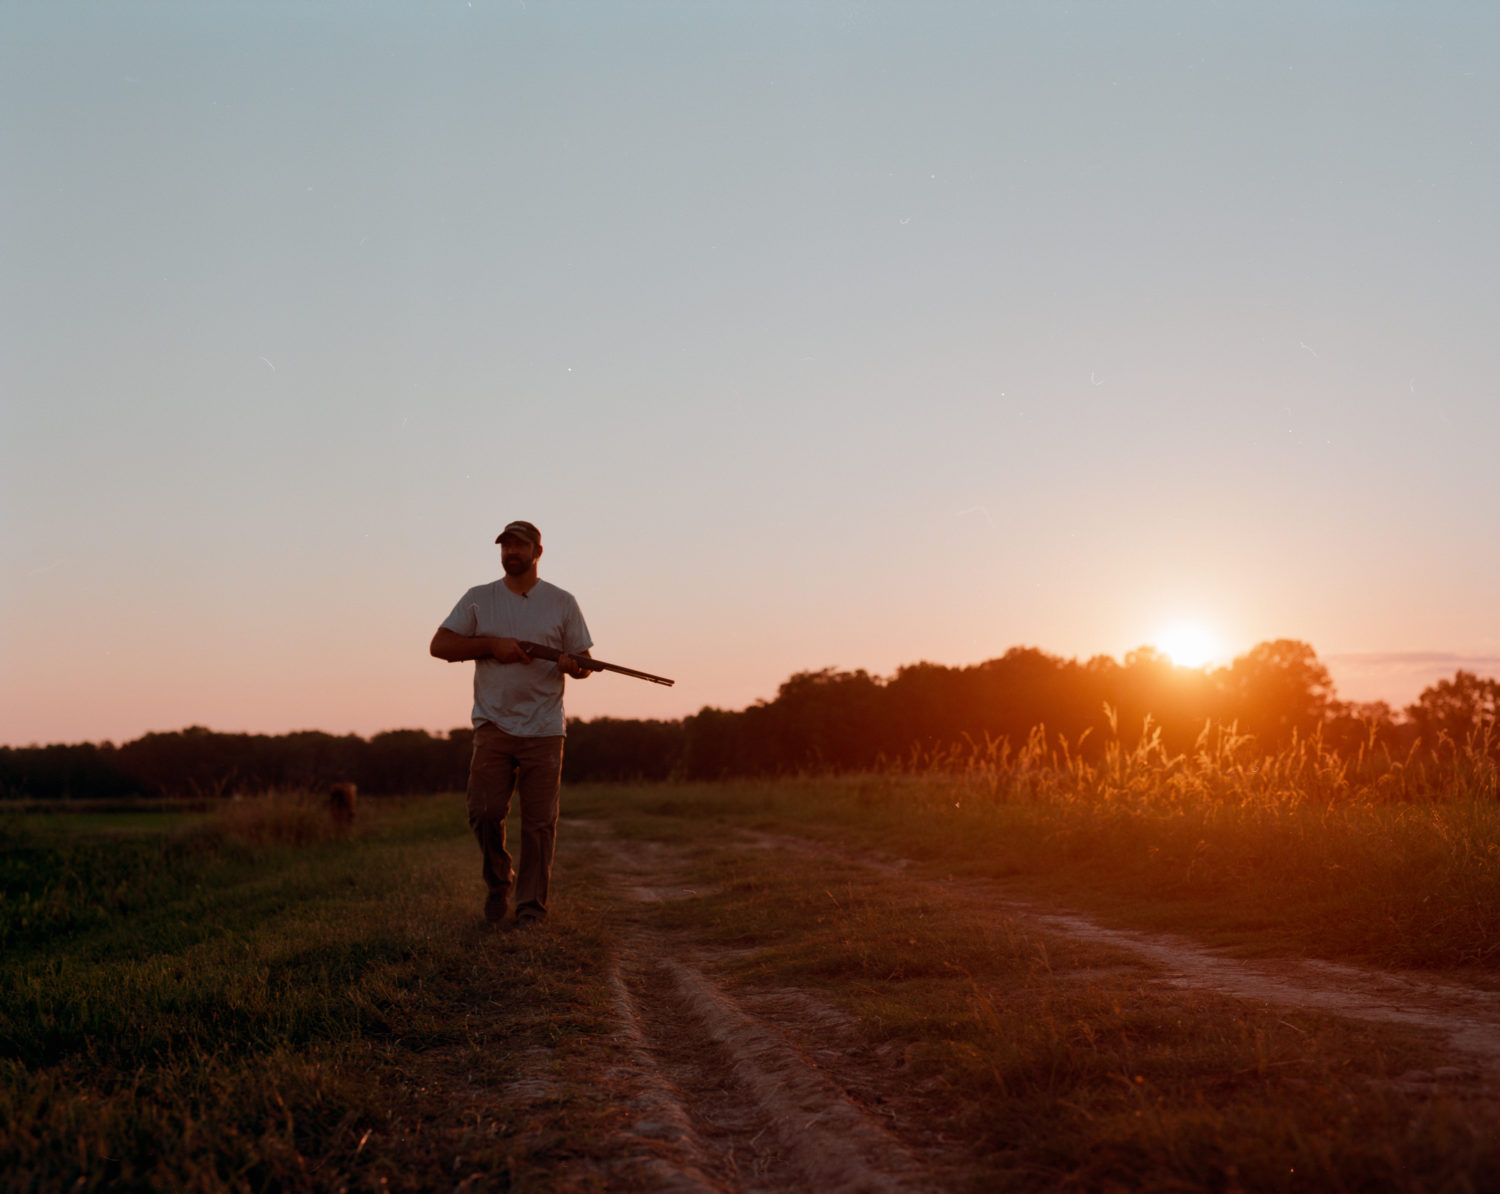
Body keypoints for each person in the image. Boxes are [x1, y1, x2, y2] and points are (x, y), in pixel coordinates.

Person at [430, 520, 593, 928]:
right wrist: (492, 646)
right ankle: (499, 882)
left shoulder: (562, 602)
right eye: (506, 545)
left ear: (538, 552)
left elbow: (583, 662)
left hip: (545, 727)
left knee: (539, 824)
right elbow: (440, 645)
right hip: (493, 724)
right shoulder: (478, 599)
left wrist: (574, 667)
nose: (511, 552)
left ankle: (530, 910)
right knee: (484, 812)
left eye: (520, 545)